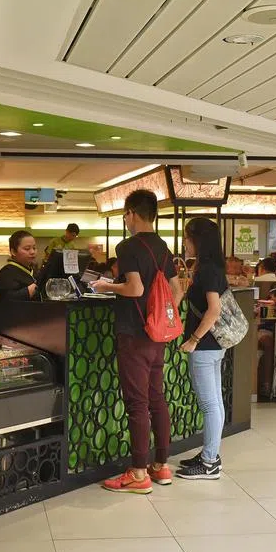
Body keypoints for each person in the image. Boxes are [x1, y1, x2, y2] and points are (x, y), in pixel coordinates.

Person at [91, 189, 181, 494]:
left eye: (125, 215)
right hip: (158, 336)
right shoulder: (163, 247)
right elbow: (177, 291)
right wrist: (161, 317)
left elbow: (135, 288)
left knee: (137, 403)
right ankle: (161, 465)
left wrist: (106, 286)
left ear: (131, 213)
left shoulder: (128, 246)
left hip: (133, 333)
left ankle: (139, 473)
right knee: (157, 398)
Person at [176, 217, 228, 480]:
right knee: (215, 402)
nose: (185, 243)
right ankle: (211, 455)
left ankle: (209, 463)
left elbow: (214, 310)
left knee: (209, 405)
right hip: (215, 345)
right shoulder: (213, 267)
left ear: (198, 240)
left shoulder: (207, 270)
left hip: (205, 346)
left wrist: (194, 339)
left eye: (187, 237)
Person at [0, 231, 39, 301]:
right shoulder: (7, 272)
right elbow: (7, 299)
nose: (32, 252)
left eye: (34, 248)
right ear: (13, 252)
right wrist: (29, 290)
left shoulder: (33, 269)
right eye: (27, 248)